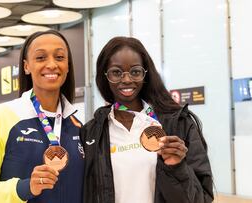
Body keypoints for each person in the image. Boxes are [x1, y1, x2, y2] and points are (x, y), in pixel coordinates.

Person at [80, 37, 213, 203]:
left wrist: (178, 168)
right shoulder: (91, 132)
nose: (127, 79)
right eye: (116, 72)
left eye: (135, 71)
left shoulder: (179, 124)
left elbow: (202, 198)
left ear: (145, 74)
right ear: (104, 76)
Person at [0, 30, 84, 203]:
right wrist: (24, 188)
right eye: (41, 58)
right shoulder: (1, 116)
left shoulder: (77, 124)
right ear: (26, 66)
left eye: (59, 57)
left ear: (68, 66)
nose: (52, 64)